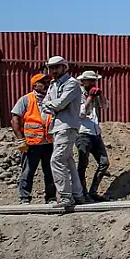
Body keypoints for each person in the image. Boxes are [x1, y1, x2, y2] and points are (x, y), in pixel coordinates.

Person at [41, 56, 85, 208]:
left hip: (67, 126)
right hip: (57, 126)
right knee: (67, 161)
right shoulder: (53, 84)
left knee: (57, 159)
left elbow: (59, 104)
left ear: (64, 67)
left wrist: (52, 106)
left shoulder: (71, 83)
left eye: (56, 67)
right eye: (51, 67)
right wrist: (52, 106)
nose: (53, 70)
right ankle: (77, 194)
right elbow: (44, 105)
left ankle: (66, 196)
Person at [11, 73, 55, 204]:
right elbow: (15, 120)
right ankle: (24, 198)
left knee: (50, 171)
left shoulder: (51, 99)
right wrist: (20, 139)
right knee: (28, 172)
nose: (47, 85)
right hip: (32, 144)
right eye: (43, 82)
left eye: (48, 82)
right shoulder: (26, 100)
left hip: (49, 142)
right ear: (35, 85)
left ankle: (51, 197)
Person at [75, 70, 110, 202]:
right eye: (90, 80)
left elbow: (105, 106)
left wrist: (101, 96)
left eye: (94, 80)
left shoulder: (95, 94)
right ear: (83, 81)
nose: (92, 83)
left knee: (104, 163)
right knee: (83, 164)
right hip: (83, 132)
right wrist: (89, 98)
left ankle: (93, 191)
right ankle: (82, 193)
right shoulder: (78, 94)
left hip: (95, 132)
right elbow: (80, 114)